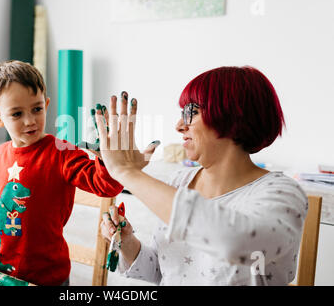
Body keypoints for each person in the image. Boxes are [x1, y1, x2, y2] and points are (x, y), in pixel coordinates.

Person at [97, 66, 308, 285]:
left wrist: (127, 173)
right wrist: (128, 242)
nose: (179, 126)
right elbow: (164, 273)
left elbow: (235, 241)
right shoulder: (179, 182)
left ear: (233, 117)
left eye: (192, 112)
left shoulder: (282, 192)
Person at [0, 60, 123, 286]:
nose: (30, 121)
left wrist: (106, 158)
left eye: (37, 109)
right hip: (0, 272)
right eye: (17, 114)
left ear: (46, 104)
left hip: (47, 277)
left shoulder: (61, 153)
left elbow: (106, 186)